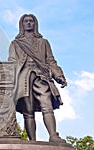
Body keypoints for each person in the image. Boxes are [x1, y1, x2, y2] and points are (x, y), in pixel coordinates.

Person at [8, 14, 67, 142]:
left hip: (41, 76)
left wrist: (59, 75)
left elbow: (51, 61)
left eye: (31, 21)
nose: (29, 23)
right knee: (27, 110)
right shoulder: (15, 44)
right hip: (23, 77)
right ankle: (32, 141)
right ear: (21, 25)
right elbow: (12, 62)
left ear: (35, 24)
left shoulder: (43, 42)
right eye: (26, 21)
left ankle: (53, 136)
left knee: (47, 105)